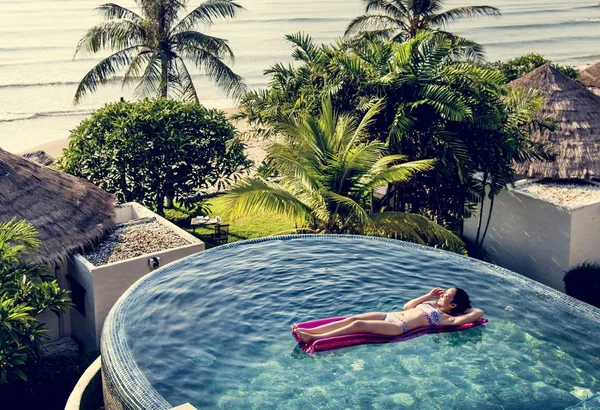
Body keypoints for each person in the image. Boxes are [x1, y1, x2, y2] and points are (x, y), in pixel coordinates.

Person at [292, 287, 484, 345]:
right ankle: (311, 330)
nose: (442, 295)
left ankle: (315, 338)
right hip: (388, 316)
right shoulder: (431, 303)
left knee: (358, 324)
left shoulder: (446, 319)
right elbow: (407, 306)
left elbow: (478, 313)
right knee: (351, 318)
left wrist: (462, 309)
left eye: (446, 296)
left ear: (453, 304)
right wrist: (429, 295)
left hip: (398, 327)